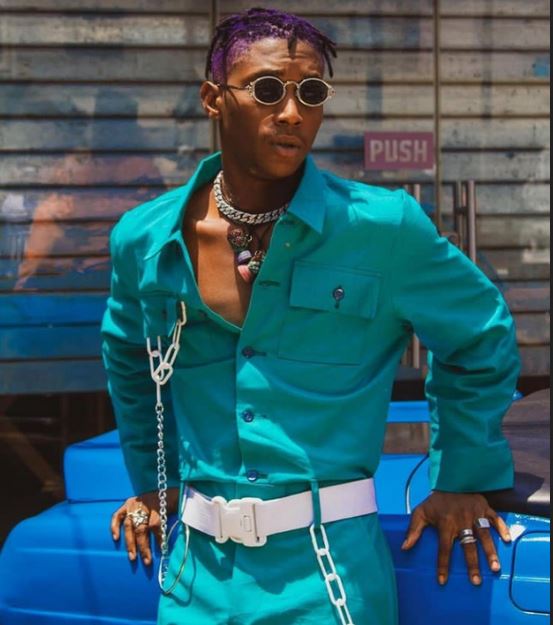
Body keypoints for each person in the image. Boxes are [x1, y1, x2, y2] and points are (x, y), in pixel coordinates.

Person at [102, 8, 520, 625]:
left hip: (330, 578)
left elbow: (480, 336)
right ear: (213, 99)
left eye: (313, 92)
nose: (293, 112)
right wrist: (150, 480)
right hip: (193, 580)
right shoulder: (144, 238)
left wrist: (461, 475)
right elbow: (129, 361)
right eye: (268, 89)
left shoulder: (381, 228)